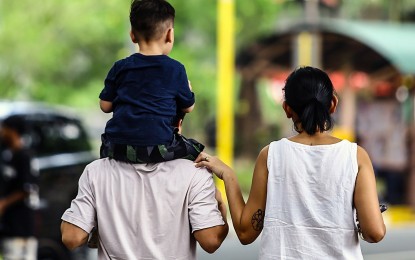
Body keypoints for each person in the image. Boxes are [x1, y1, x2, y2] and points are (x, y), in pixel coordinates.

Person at [196, 66, 386, 259]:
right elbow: (375, 232)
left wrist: (229, 176)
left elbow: (246, 233)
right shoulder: (355, 156)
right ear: (333, 104)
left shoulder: (271, 155)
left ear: (287, 108)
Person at [60, 112, 229, 259]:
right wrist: (220, 205)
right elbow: (211, 240)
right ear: (178, 124)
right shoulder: (195, 173)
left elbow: (72, 237)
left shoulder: (96, 171)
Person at [99, 0, 203, 164]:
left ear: (132, 34)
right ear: (170, 34)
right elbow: (188, 107)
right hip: (157, 148)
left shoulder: (120, 67)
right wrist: (188, 91)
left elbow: (105, 106)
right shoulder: (175, 69)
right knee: (195, 150)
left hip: (115, 147)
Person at [0, 115, 39, 260]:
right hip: (12, 226)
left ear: (13, 131)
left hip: (20, 225)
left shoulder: (24, 156)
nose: (2, 131)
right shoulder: (10, 155)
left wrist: (3, 203)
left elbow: (27, 188)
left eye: (4, 128)